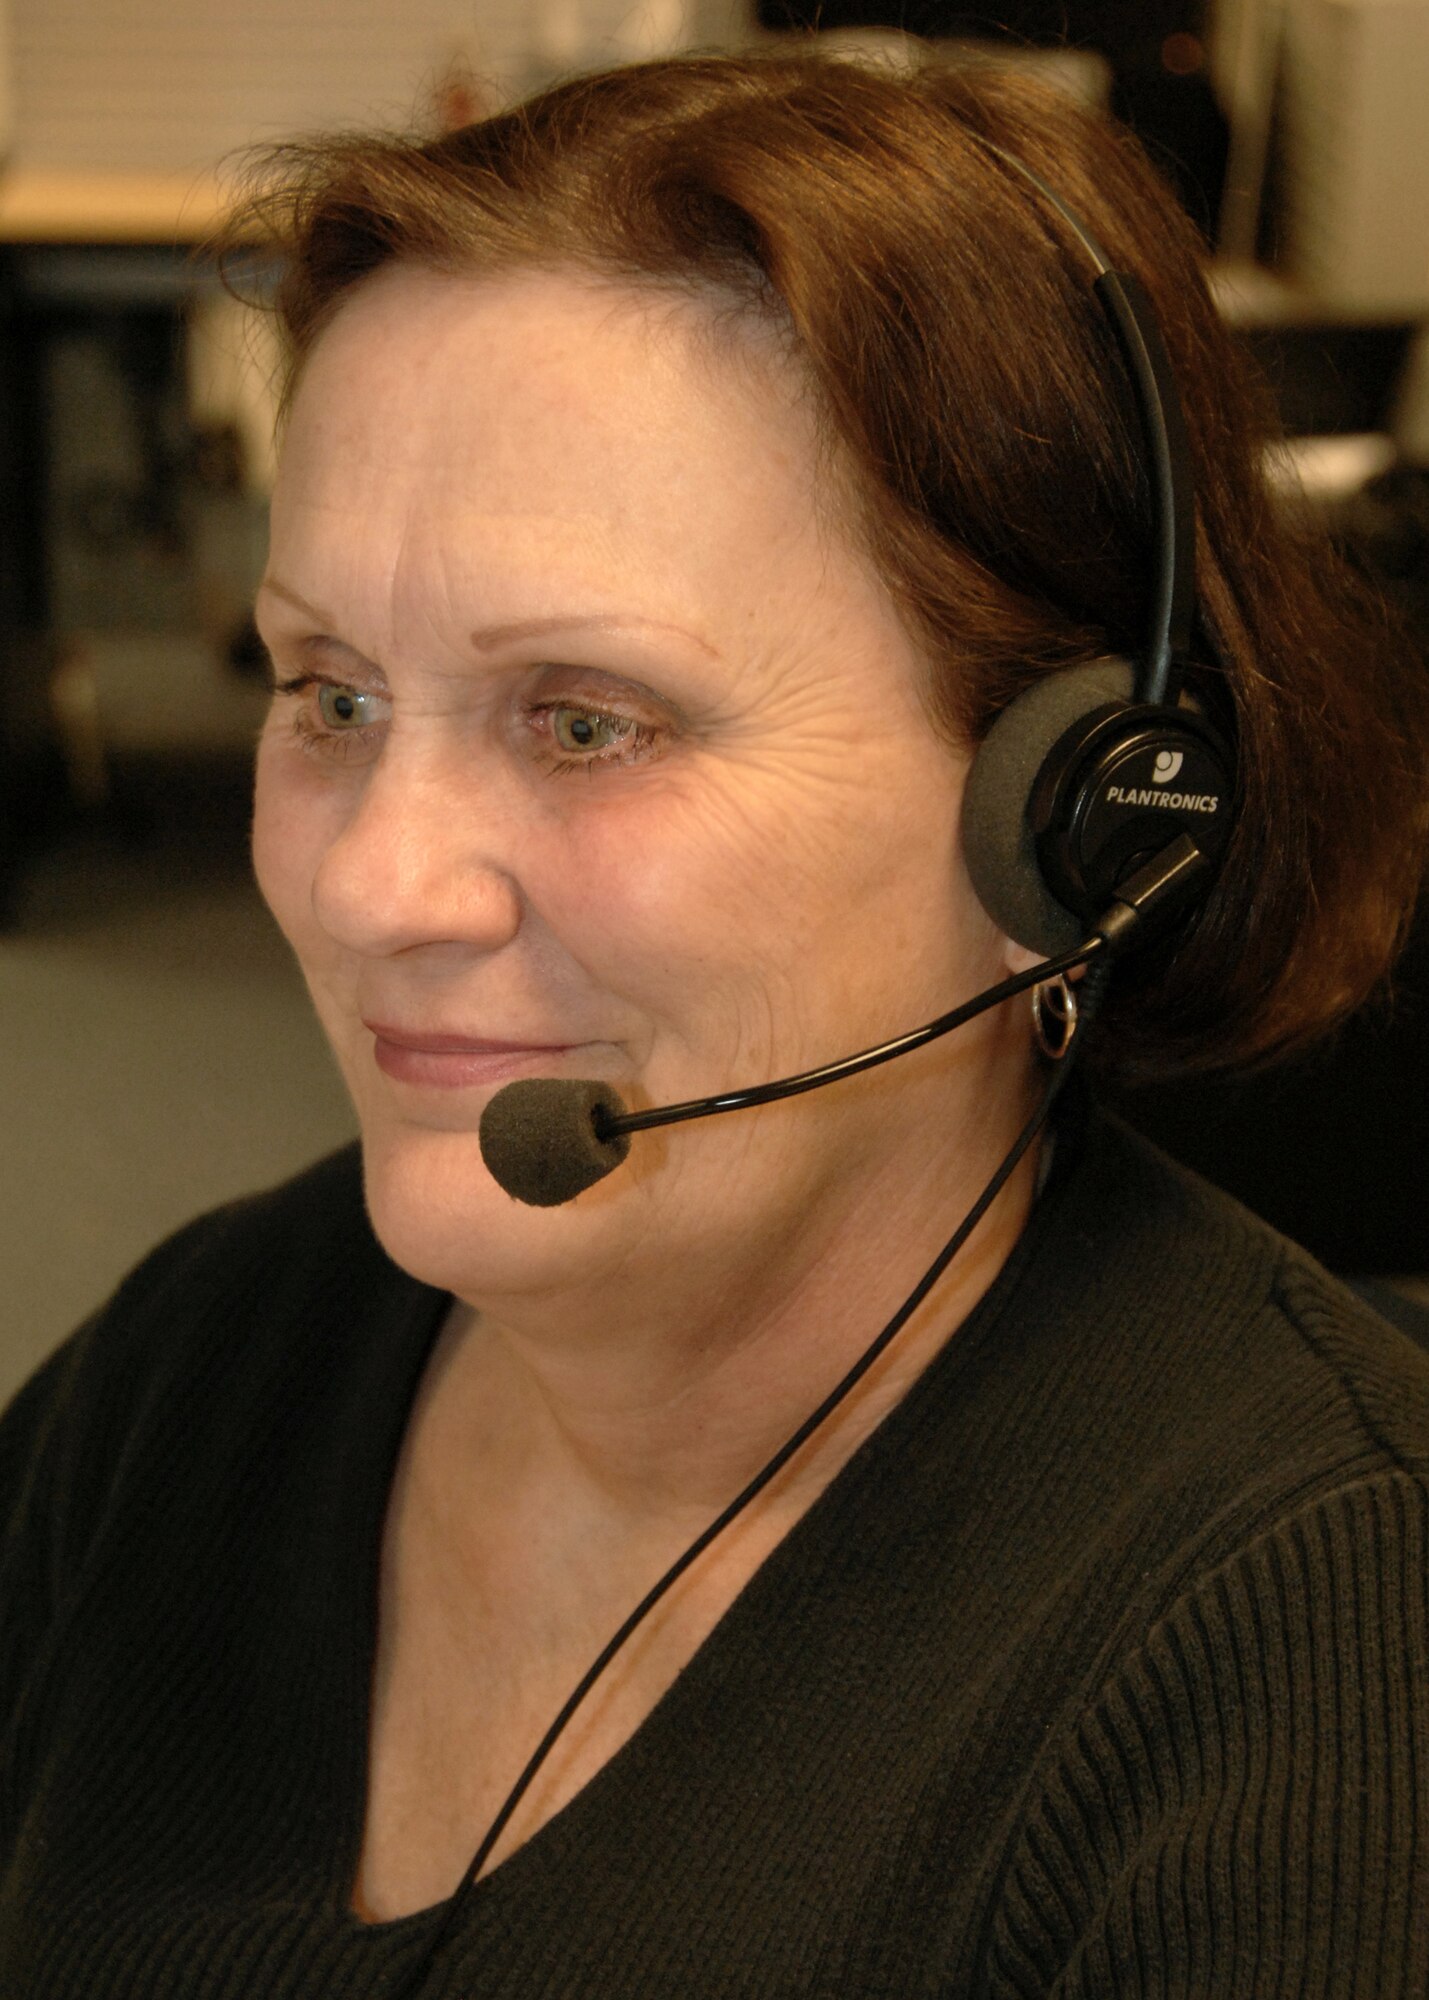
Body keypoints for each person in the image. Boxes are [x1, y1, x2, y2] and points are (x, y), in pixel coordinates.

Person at [2, 46, 1427, 2000]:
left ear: (1079, 808)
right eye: (328, 691)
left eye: (589, 720)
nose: (365, 884)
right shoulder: (206, 1363)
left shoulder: (1317, 1655)